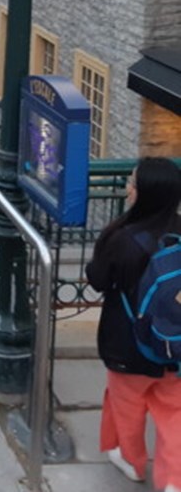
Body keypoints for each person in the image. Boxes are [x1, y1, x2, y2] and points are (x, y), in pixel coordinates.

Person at [85, 157, 181, 491]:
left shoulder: (123, 238)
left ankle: (132, 461)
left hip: (128, 343)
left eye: (132, 182)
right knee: (174, 415)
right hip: (174, 345)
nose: (127, 188)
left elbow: (97, 279)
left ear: (145, 193)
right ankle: (173, 480)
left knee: (126, 404)